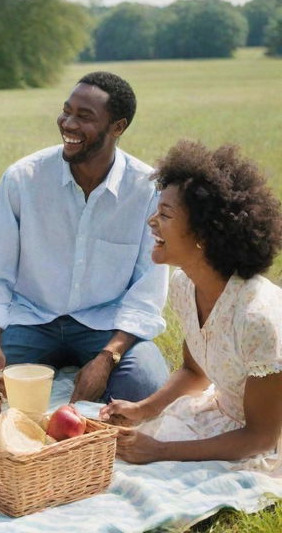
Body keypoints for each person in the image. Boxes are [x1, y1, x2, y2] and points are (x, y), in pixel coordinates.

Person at [0, 71, 170, 406]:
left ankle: (81, 362)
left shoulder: (146, 190)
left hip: (106, 324)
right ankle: (52, 359)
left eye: (84, 117)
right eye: (66, 111)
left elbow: (147, 291)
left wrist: (107, 357)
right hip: (32, 317)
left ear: (118, 127)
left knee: (144, 387)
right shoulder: (23, 178)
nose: (68, 123)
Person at [100, 140, 282, 471]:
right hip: (226, 417)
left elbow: (262, 437)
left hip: (263, 438)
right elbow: (194, 371)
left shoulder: (257, 318)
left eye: (165, 215)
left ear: (203, 234)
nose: (151, 222)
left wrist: (161, 450)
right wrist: (143, 409)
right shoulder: (185, 286)